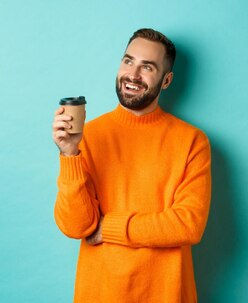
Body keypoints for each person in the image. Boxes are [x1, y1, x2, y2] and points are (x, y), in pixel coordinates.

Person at [52, 28, 211, 302]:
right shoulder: (87, 137)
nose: (133, 75)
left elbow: (188, 225)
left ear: (166, 80)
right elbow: (76, 227)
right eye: (128, 61)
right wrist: (69, 154)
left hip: (166, 294)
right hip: (99, 293)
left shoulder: (192, 141)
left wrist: (108, 228)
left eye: (147, 67)